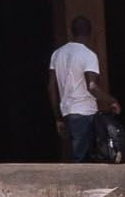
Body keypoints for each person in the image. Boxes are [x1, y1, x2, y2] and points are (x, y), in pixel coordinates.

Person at [50, 19, 120, 164]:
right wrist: (112, 100)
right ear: (90, 33)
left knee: (80, 157)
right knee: (83, 161)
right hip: (84, 114)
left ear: (71, 31)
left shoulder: (57, 54)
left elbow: (51, 87)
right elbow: (92, 86)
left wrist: (58, 117)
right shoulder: (88, 55)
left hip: (68, 113)